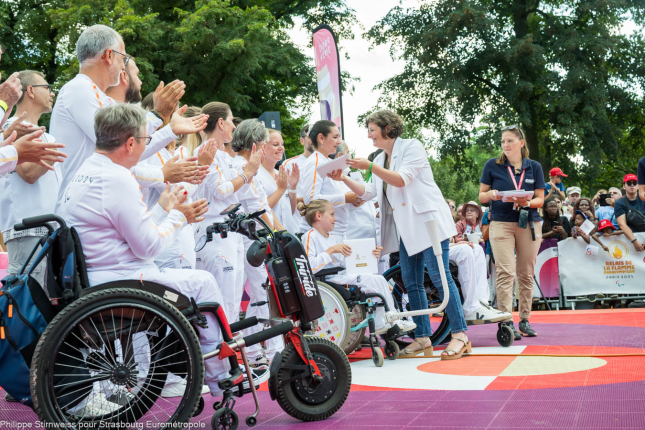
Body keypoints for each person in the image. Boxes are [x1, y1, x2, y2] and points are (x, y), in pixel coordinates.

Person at [55, 103, 231, 405]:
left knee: (196, 282)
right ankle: (222, 378)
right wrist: (179, 216)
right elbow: (148, 246)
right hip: (121, 280)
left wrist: (165, 208)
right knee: (204, 284)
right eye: (145, 141)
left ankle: (207, 366)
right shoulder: (118, 178)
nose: (145, 147)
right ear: (131, 142)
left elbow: (130, 230)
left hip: (100, 273)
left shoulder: (88, 168)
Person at [328, 110, 470, 360]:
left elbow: (402, 179)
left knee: (439, 276)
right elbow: (370, 191)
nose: (369, 134)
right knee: (411, 282)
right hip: (407, 228)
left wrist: (369, 165)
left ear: (387, 128)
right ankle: (422, 337)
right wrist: (346, 179)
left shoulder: (412, 147)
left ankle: (460, 335)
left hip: (428, 222)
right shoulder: (381, 158)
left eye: (372, 128)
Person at [50, 24, 206, 207]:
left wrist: (169, 130)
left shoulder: (102, 98)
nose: (123, 66)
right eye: (122, 57)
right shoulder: (79, 89)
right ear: (109, 56)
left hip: (99, 202)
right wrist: (157, 115)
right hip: (83, 206)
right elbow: (117, 142)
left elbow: (132, 150)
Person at [299, 199, 416, 334]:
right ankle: (389, 320)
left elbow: (345, 262)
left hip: (339, 275)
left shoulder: (331, 238)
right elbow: (309, 267)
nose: (335, 219)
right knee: (374, 281)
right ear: (319, 216)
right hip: (327, 279)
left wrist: (371, 255)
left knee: (379, 280)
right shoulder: (310, 236)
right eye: (331, 214)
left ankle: (389, 319)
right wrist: (330, 251)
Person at [479, 124, 545, 340]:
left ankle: (524, 319)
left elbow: (540, 199)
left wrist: (524, 201)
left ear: (521, 143)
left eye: (510, 141)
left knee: (525, 273)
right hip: (500, 222)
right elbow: (481, 197)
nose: (505, 145)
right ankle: (506, 321)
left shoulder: (534, 166)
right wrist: (492, 194)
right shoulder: (492, 165)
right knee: (505, 272)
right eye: (503, 141)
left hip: (528, 222)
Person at [228, 119, 285, 366]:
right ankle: (266, 353)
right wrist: (281, 236)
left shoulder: (239, 165)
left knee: (253, 294)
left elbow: (262, 208)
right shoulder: (242, 168)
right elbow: (259, 209)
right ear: (256, 145)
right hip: (243, 242)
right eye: (264, 144)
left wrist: (283, 234)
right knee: (252, 295)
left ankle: (256, 352)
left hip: (244, 240)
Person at [1, 70, 61, 287]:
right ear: (31, 91)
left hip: (50, 231)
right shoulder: (10, 128)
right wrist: (55, 154)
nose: (52, 93)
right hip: (26, 231)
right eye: (47, 87)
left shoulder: (47, 135)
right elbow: (28, 173)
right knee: (26, 300)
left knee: (45, 303)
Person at [299, 120, 358, 239]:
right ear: (321, 138)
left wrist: (353, 200)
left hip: (336, 232)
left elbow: (333, 193)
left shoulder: (328, 162)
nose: (339, 141)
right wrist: (345, 198)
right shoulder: (315, 162)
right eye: (335, 137)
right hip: (323, 233)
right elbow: (311, 199)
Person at [448, 240, 511, 323]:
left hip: (441, 246)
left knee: (477, 249)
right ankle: (471, 308)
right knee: (464, 250)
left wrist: (453, 244)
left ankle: (481, 303)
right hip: (431, 251)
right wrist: (452, 245)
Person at [255, 129, 300, 232]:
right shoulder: (256, 174)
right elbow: (258, 210)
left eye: (282, 144)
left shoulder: (279, 173)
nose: (281, 148)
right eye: (275, 144)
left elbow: (291, 211)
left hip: (288, 234)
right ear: (263, 147)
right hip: (270, 236)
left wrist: (292, 188)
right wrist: (280, 189)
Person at [614, 174, 645, 252]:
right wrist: (634, 241)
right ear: (624, 186)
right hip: (629, 240)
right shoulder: (619, 203)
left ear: (638, 185)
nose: (632, 185)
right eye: (629, 183)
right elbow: (622, 224)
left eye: (634, 183)